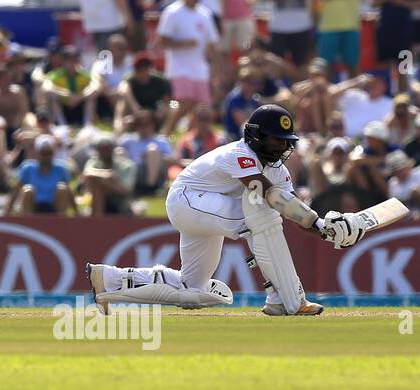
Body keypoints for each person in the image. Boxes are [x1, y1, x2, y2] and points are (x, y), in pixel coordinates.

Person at [86, 105, 371, 317]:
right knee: (261, 213)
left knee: (193, 289)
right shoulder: (239, 154)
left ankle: (109, 279)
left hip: (205, 210)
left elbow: (294, 211)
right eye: (276, 139)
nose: (283, 146)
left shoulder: (279, 169)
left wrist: (326, 228)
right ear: (257, 137)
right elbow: (267, 194)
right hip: (187, 201)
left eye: (286, 140)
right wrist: (317, 223)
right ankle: (285, 299)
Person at [157, 0, 220, 134]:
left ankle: (187, 140)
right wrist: (183, 43)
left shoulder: (205, 13)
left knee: (201, 108)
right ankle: (165, 134)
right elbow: (162, 41)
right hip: (179, 67)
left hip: (200, 69)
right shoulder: (172, 12)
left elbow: (212, 43)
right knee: (185, 102)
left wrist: (215, 67)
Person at [9, 134, 72, 214]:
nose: (46, 157)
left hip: (54, 206)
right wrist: (7, 212)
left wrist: (77, 213)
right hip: (34, 207)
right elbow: (16, 190)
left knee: (62, 189)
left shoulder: (61, 169)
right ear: (37, 153)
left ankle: (61, 222)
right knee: (28, 191)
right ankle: (28, 222)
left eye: (49, 153)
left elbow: (69, 192)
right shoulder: (27, 168)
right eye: (43, 153)